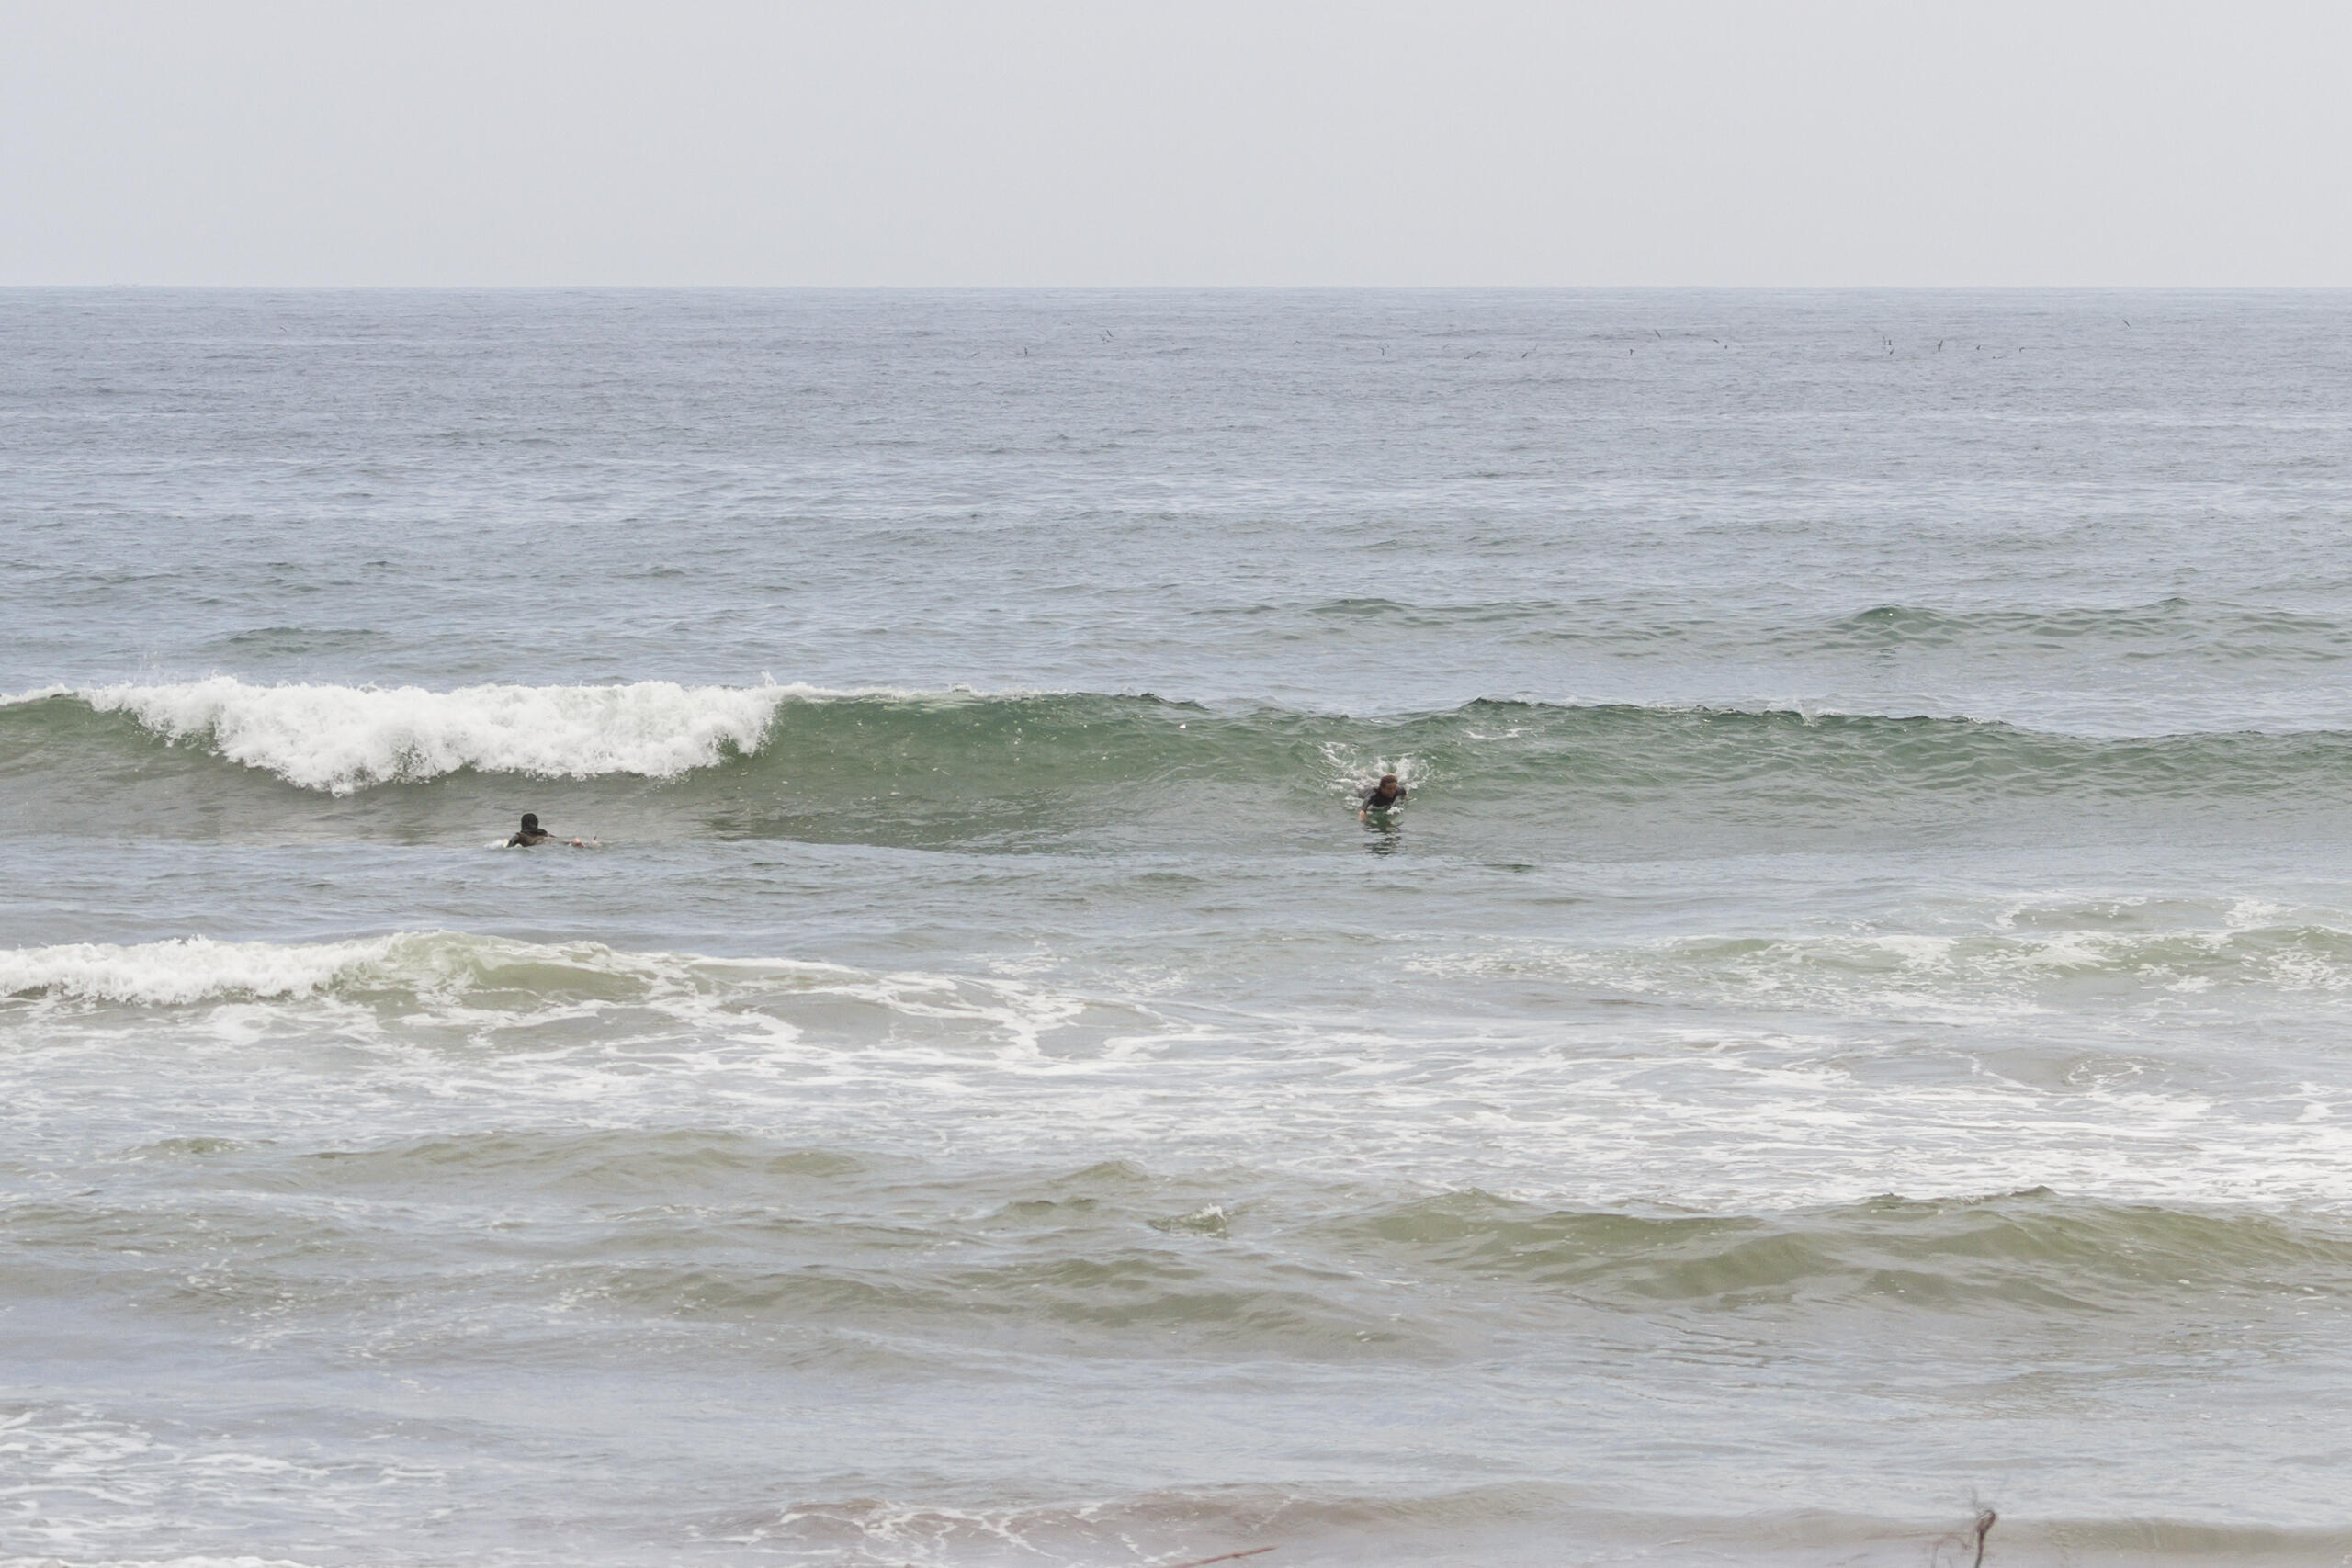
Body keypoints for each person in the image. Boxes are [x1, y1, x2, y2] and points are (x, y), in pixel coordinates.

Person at [505, 812, 583, 848]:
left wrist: (505, 850)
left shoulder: (522, 835)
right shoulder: (544, 833)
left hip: (538, 842)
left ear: (523, 824)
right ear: (537, 823)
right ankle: (574, 843)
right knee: (561, 843)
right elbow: (557, 839)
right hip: (548, 839)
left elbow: (512, 841)